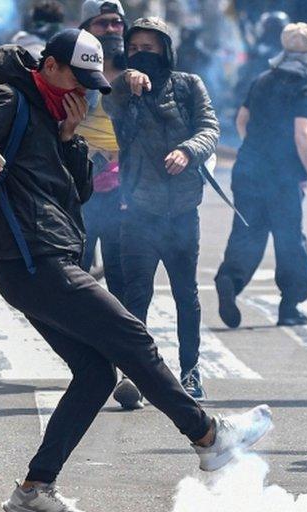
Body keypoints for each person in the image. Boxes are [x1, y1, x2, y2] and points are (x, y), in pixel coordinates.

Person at [0, 28, 267, 512]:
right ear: (51, 66)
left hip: (47, 256)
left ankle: (35, 489)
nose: (84, 91)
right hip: (32, 258)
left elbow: (79, 192)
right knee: (131, 336)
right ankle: (209, 437)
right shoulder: (8, 99)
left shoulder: (62, 112)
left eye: (90, 82)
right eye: (77, 79)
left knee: (95, 374)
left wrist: (69, 139)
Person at [103, 17, 220, 401]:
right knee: (136, 298)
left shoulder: (189, 85)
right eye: (134, 48)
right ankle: (133, 374)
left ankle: (190, 371)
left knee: (187, 295)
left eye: (149, 49)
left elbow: (210, 128)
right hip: (138, 210)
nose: (140, 55)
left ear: (165, 51)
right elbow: (110, 101)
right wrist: (125, 81)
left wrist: (188, 151)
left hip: (183, 211)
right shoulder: (122, 89)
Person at [214, 22, 307, 329]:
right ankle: (290, 306)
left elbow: (242, 120)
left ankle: (229, 279)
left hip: (249, 168)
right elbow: (302, 134)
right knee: (289, 239)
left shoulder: (263, 78)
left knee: (247, 233)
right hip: (282, 177)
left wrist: (256, 148)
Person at [76, 0, 144, 410]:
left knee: (124, 282)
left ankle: (131, 370)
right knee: (76, 283)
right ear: (88, 27)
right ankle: (90, 362)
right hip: (81, 192)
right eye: (104, 22)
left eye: (118, 21)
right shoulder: (71, 70)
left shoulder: (137, 70)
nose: (113, 27)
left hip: (123, 192)